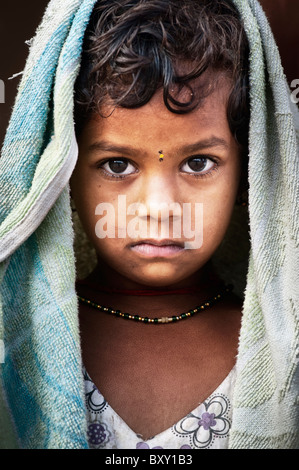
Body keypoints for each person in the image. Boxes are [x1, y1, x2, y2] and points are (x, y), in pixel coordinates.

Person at [0, 0, 298, 450]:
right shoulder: (15, 349)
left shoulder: (284, 356)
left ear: (249, 172)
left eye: (199, 162)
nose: (160, 209)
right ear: (61, 175)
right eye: (117, 164)